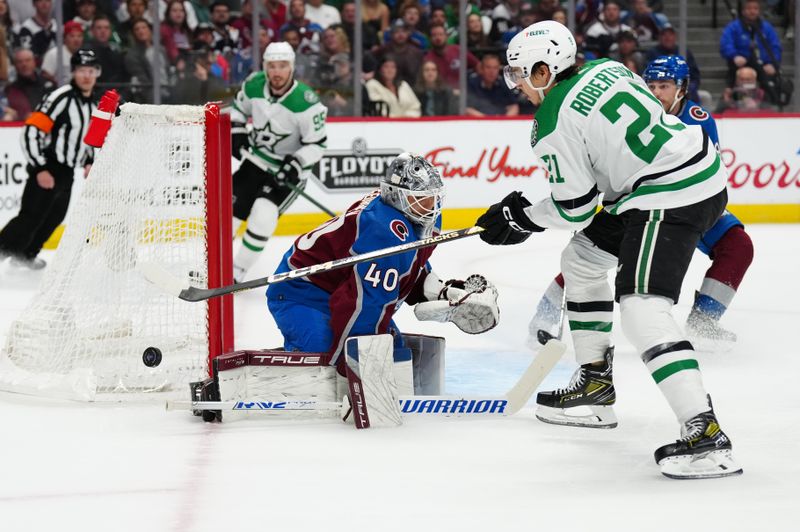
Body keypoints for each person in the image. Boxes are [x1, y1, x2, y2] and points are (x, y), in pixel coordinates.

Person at [476, 21, 741, 479]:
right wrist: (530, 212)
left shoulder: (550, 121)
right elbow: (606, 164)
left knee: (642, 307)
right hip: (681, 175)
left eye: (521, 72)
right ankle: (595, 385)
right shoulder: (607, 68)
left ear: (545, 70)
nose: (516, 82)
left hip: (668, 192)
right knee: (582, 260)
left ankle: (706, 434)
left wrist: (522, 218)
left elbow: (576, 208)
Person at [529, 55, 754, 350]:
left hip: (690, 201)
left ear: (682, 88)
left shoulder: (699, 120)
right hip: (638, 203)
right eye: (651, 85)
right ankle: (546, 314)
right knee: (590, 252)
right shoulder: (631, 107)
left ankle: (704, 321)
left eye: (664, 85)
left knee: (738, 245)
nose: (656, 92)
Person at [266, 153, 499, 376]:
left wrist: (440, 290)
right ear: (396, 195)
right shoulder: (383, 230)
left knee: (394, 355)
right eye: (421, 200)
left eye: (433, 197)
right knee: (327, 365)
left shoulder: (423, 218)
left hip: (341, 285)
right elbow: (364, 304)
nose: (431, 207)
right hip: (301, 291)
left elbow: (409, 263)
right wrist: (355, 367)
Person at [229, 42, 328, 282]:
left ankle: (235, 274)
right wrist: (238, 131)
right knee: (227, 216)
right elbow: (238, 109)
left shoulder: (307, 103)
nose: (276, 72)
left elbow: (317, 145)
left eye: (282, 66)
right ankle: (212, 267)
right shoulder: (253, 85)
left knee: (263, 216)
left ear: (292, 67)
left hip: (286, 172)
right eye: (271, 66)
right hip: (255, 162)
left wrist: (295, 164)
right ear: (265, 67)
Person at [0, 49, 99, 269]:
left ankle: (25, 257)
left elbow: (88, 138)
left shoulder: (94, 105)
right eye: (82, 70)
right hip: (49, 167)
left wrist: (89, 160)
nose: (86, 76)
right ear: (73, 72)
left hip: (68, 172)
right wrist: (40, 168)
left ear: (97, 73)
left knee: (54, 218)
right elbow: (31, 131)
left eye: (91, 71)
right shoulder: (60, 98)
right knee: (30, 217)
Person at [720, 0, 783, 103]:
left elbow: (775, 47)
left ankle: (772, 103)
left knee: (769, 79)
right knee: (735, 73)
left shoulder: (767, 28)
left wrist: (772, 64)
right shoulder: (733, 27)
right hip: (741, 62)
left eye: (755, 9)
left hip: (763, 64)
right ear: (743, 11)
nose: (752, 11)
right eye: (749, 8)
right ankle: (728, 99)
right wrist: (734, 55)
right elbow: (726, 44)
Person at [4, 48, 54, 120]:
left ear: (34, 62)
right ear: (15, 65)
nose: (24, 64)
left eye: (28, 60)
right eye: (20, 62)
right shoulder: (10, 90)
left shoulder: (48, 85)